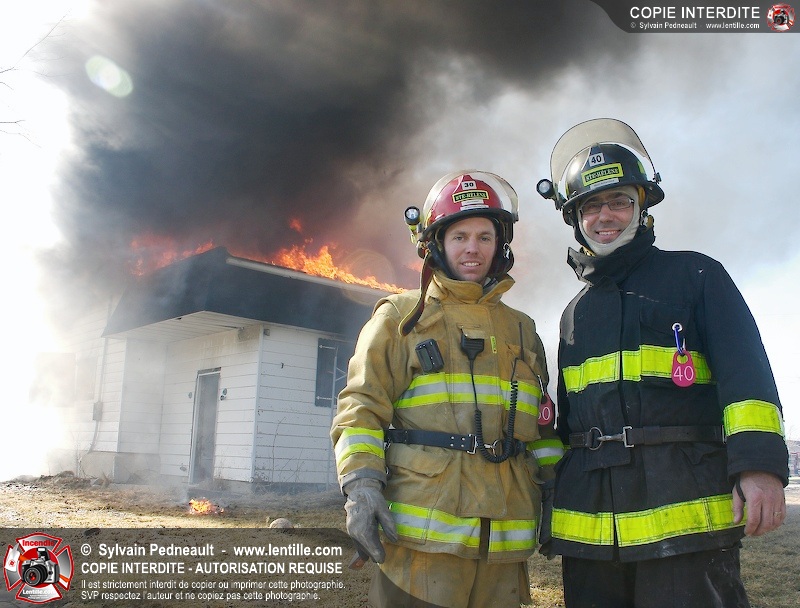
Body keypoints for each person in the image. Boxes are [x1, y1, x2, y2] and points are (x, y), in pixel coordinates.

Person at [536, 118, 789, 608]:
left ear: (642, 205)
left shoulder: (696, 276)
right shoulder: (573, 315)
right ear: (576, 219)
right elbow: (571, 425)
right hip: (591, 529)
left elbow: (747, 378)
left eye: (618, 201)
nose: (605, 215)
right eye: (590, 206)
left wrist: (760, 467)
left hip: (684, 517)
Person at [331, 170, 563, 607]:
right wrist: (361, 487)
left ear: (500, 245)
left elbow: (541, 427)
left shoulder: (521, 329)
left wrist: (554, 490)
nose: (473, 248)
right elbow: (361, 407)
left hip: (503, 547)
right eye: (459, 236)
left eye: (484, 236)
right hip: (422, 543)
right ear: (435, 244)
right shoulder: (401, 317)